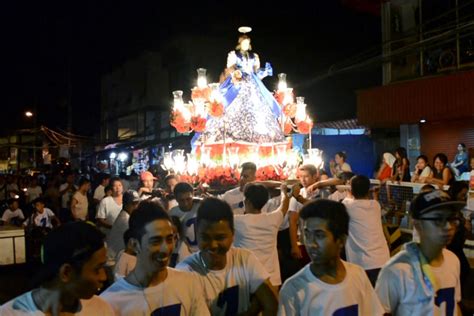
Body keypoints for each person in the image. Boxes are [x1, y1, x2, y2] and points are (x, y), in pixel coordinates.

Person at [100, 200, 210, 315]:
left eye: (169, 239)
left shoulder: (188, 283)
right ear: (134, 245)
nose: (165, 249)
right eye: (155, 241)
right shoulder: (111, 303)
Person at [278, 199, 384, 315]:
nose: (311, 244)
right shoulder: (293, 289)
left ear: (341, 240)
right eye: (307, 235)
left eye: (319, 235)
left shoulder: (358, 275)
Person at [176, 197, 278, 316]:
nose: (213, 245)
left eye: (220, 238)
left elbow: (271, 304)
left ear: (233, 234)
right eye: (205, 237)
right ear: (196, 234)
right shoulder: (184, 272)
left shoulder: (245, 258)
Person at [375, 190, 464, 315]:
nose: (448, 226)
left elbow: (454, 306)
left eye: (451, 218)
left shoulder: (452, 260)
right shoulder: (396, 270)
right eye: (438, 219)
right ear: (418, 225)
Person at [195, 31, 285, 148]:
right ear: (240, 43)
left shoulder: (254, 56)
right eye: (244, 43)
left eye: (248, 43)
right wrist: (236, 74)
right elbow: (229, 70)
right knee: (231, 105)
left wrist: (264, 71)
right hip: (238, 81)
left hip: (252, 83)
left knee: (259, 105)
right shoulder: (234, 55)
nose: (246, 45)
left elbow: (256, 72)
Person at [0, 222, 114, 315]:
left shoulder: (101, 309)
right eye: (97, 269)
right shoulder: (10, 313)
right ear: (66, 272)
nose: (103, 277)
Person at [234, 183, 290, 287]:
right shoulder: (273, 219)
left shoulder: (237, 222)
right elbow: (284, 204)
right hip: (272, 280)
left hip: (247, 281)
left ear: (247, 201)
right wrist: (283, 190)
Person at [342, 175, 390, 286]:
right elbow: (370, 201)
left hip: (362, 264)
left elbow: (348, 199)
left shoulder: (348, 206)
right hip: (383, 260)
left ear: (351, 190)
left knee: (364, 301)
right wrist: (373, 193)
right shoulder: (375, 206)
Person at [106, 190, 140, 267]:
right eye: (133, 204)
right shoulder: (125, 220)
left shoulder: (127, 216)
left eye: (137, 203)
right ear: (126, 204)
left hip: (118, 259)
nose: (136, 207)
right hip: (112, 262)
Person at [169, 182, 201, 261]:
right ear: (176, 199)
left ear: (193, 195)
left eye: (188, 199)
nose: (186, 203)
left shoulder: (201, 206)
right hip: (186, 253)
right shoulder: (172, 213)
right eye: (181, 200)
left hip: (203, 250)